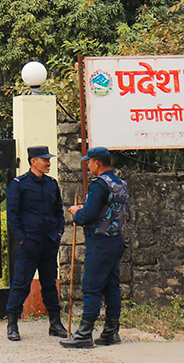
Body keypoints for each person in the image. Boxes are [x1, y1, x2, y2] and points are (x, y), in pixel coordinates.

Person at [62, 147, 128, 349]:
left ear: (97, 163)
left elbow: (89, 215)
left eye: (89, 162)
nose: (88, 166)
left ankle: (84, 333)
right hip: (115, 238)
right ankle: (111, 332)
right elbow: (107, 209)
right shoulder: (119, 183)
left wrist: (76, 212)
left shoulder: (98, 185)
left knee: (91, 287)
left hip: (99, 242)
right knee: (111, 287)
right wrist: (86, 209)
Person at [5, 146, 68, 341]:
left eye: (49, 159)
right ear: (33, 161)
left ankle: (55, 324)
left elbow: (58, 211)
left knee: (49, 283)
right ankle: (12, 324)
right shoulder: (19, 184)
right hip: (29, 243)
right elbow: (12, 216)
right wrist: (22, 239)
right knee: (21, 284)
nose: (48, 163)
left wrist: (58, 232)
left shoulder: (51, 184)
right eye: (44, 159)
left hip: (49, 242)